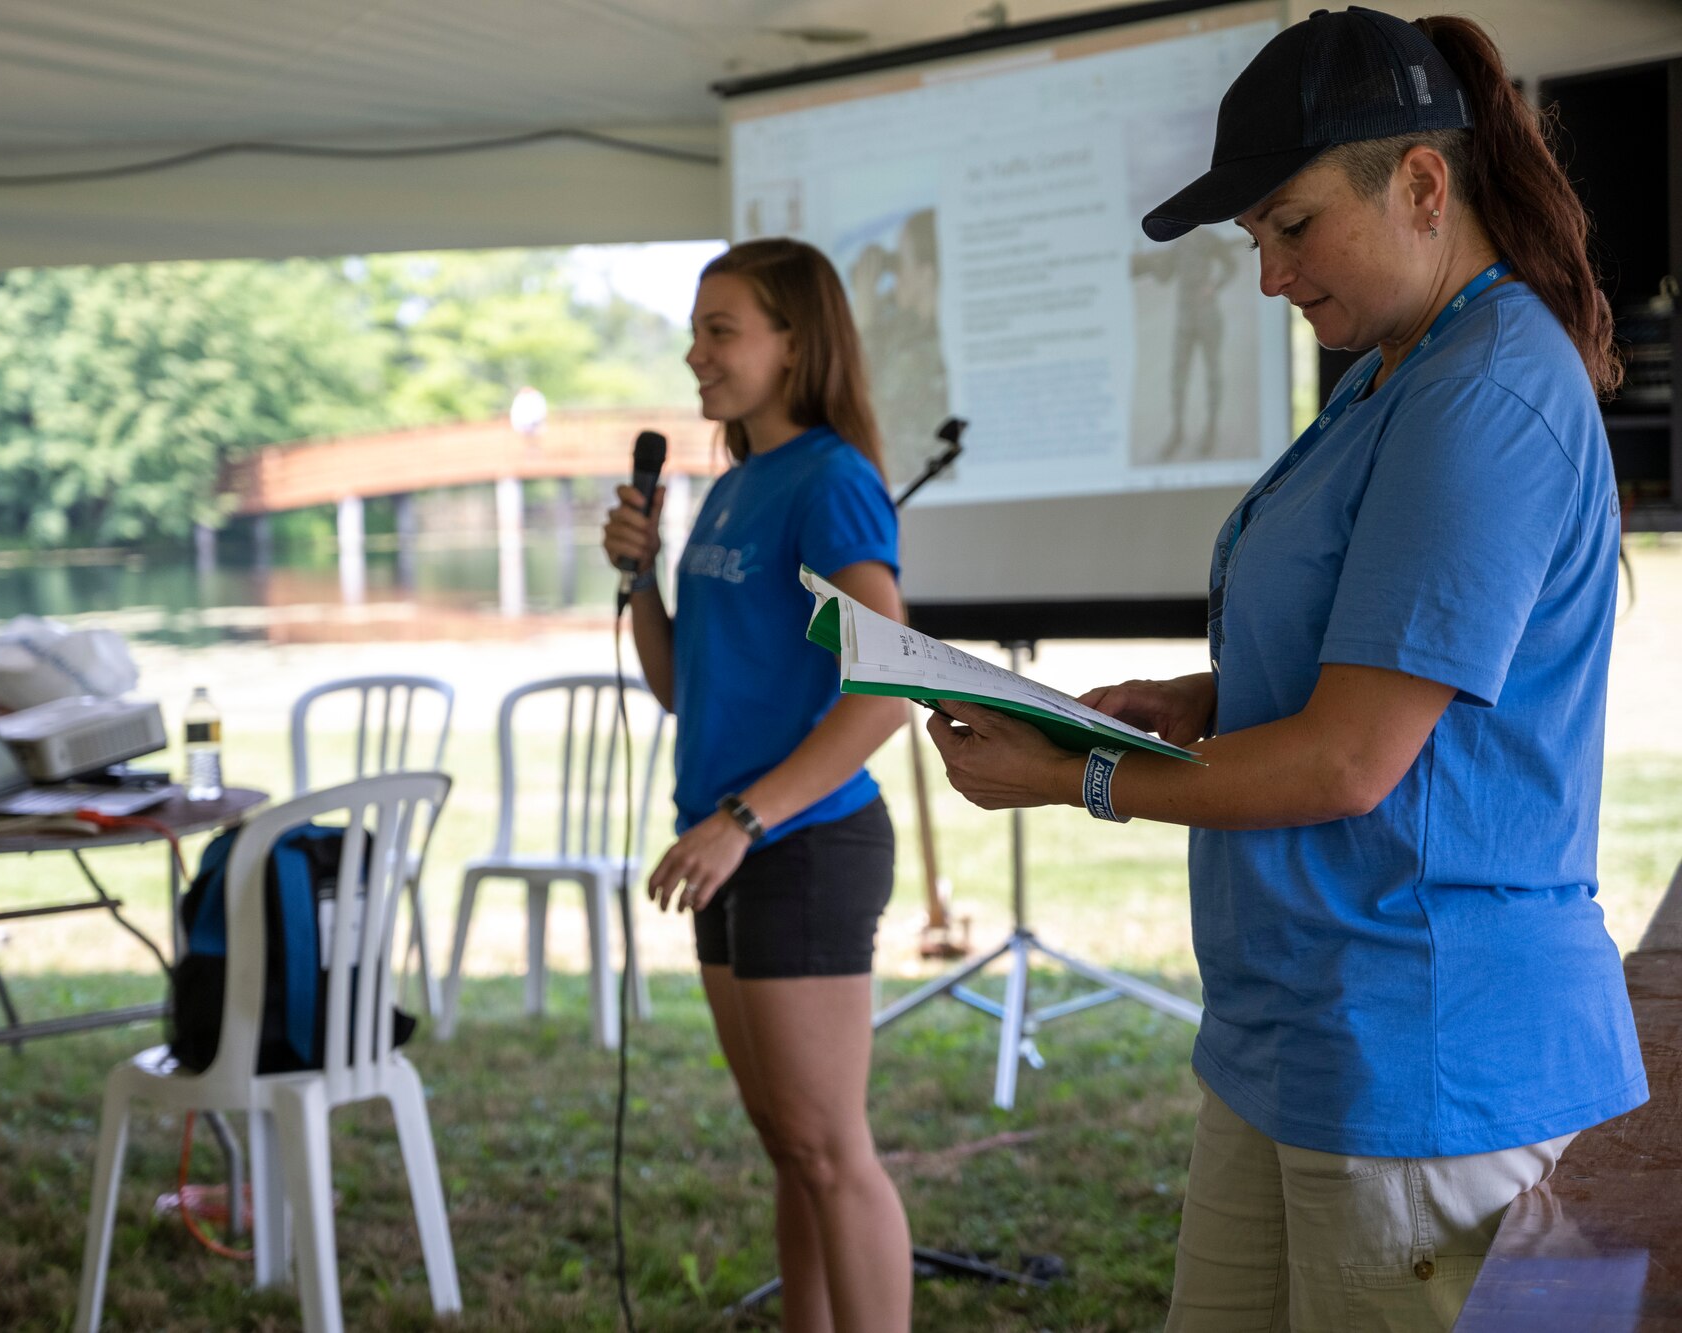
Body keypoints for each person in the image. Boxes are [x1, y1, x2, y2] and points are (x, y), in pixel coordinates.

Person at [923, 10, 1646, 1331]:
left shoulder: (1486, 389)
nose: (1269, 277)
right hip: (1299, 1039)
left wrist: (1080, 777)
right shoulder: (1391, 374)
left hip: (1429, 1065)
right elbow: (1358, 662)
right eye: (1255, 238)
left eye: (1293, 226)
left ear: (1424, 184)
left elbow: (1350, 757)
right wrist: (1190, 705)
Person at [601, 237, 914, 1332]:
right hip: (733, 843)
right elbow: (685, 683)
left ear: (794, 345)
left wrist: (742, 819)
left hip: (803, 845)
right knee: (790, 1149)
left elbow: (885, 689)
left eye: (720, 330)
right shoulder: (735, 486)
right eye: (694, 331)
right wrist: (639, 579)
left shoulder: (828, 480)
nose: (696, 355)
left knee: (830, 1149)